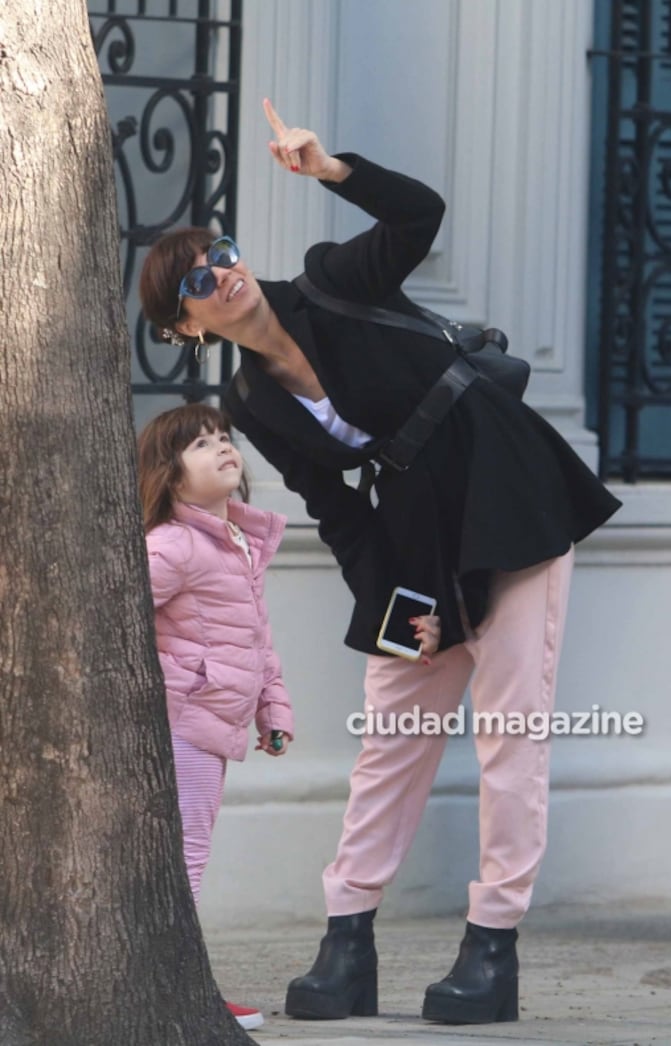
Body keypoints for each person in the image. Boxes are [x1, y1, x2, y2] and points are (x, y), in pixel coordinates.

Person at [138, 99, 622, 1026]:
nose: (221, 274)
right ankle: (346, 941)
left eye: (222, 253)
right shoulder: (252, 405)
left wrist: (332, 171)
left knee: (510, 729)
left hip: (505, 493)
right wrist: (403, 610)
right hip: (411, 541)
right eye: (198, 280)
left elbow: (419, 217)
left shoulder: (328, 282)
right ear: (185, 327)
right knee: (392, 732)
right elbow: (334, 509)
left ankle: (491, 948)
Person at [137, 402, 295, 1032]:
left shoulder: (237, 543)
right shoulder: (173, 544)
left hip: (218, 719)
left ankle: (176, 982)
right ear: (172, 477)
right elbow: (118, 617)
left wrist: (273, 709)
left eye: (224, 437)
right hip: (188, 719)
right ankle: (178, 987)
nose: (223, 447)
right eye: (201, 444)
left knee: (187, 852)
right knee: (186, 854)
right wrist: (185, 674)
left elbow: (256, 639)